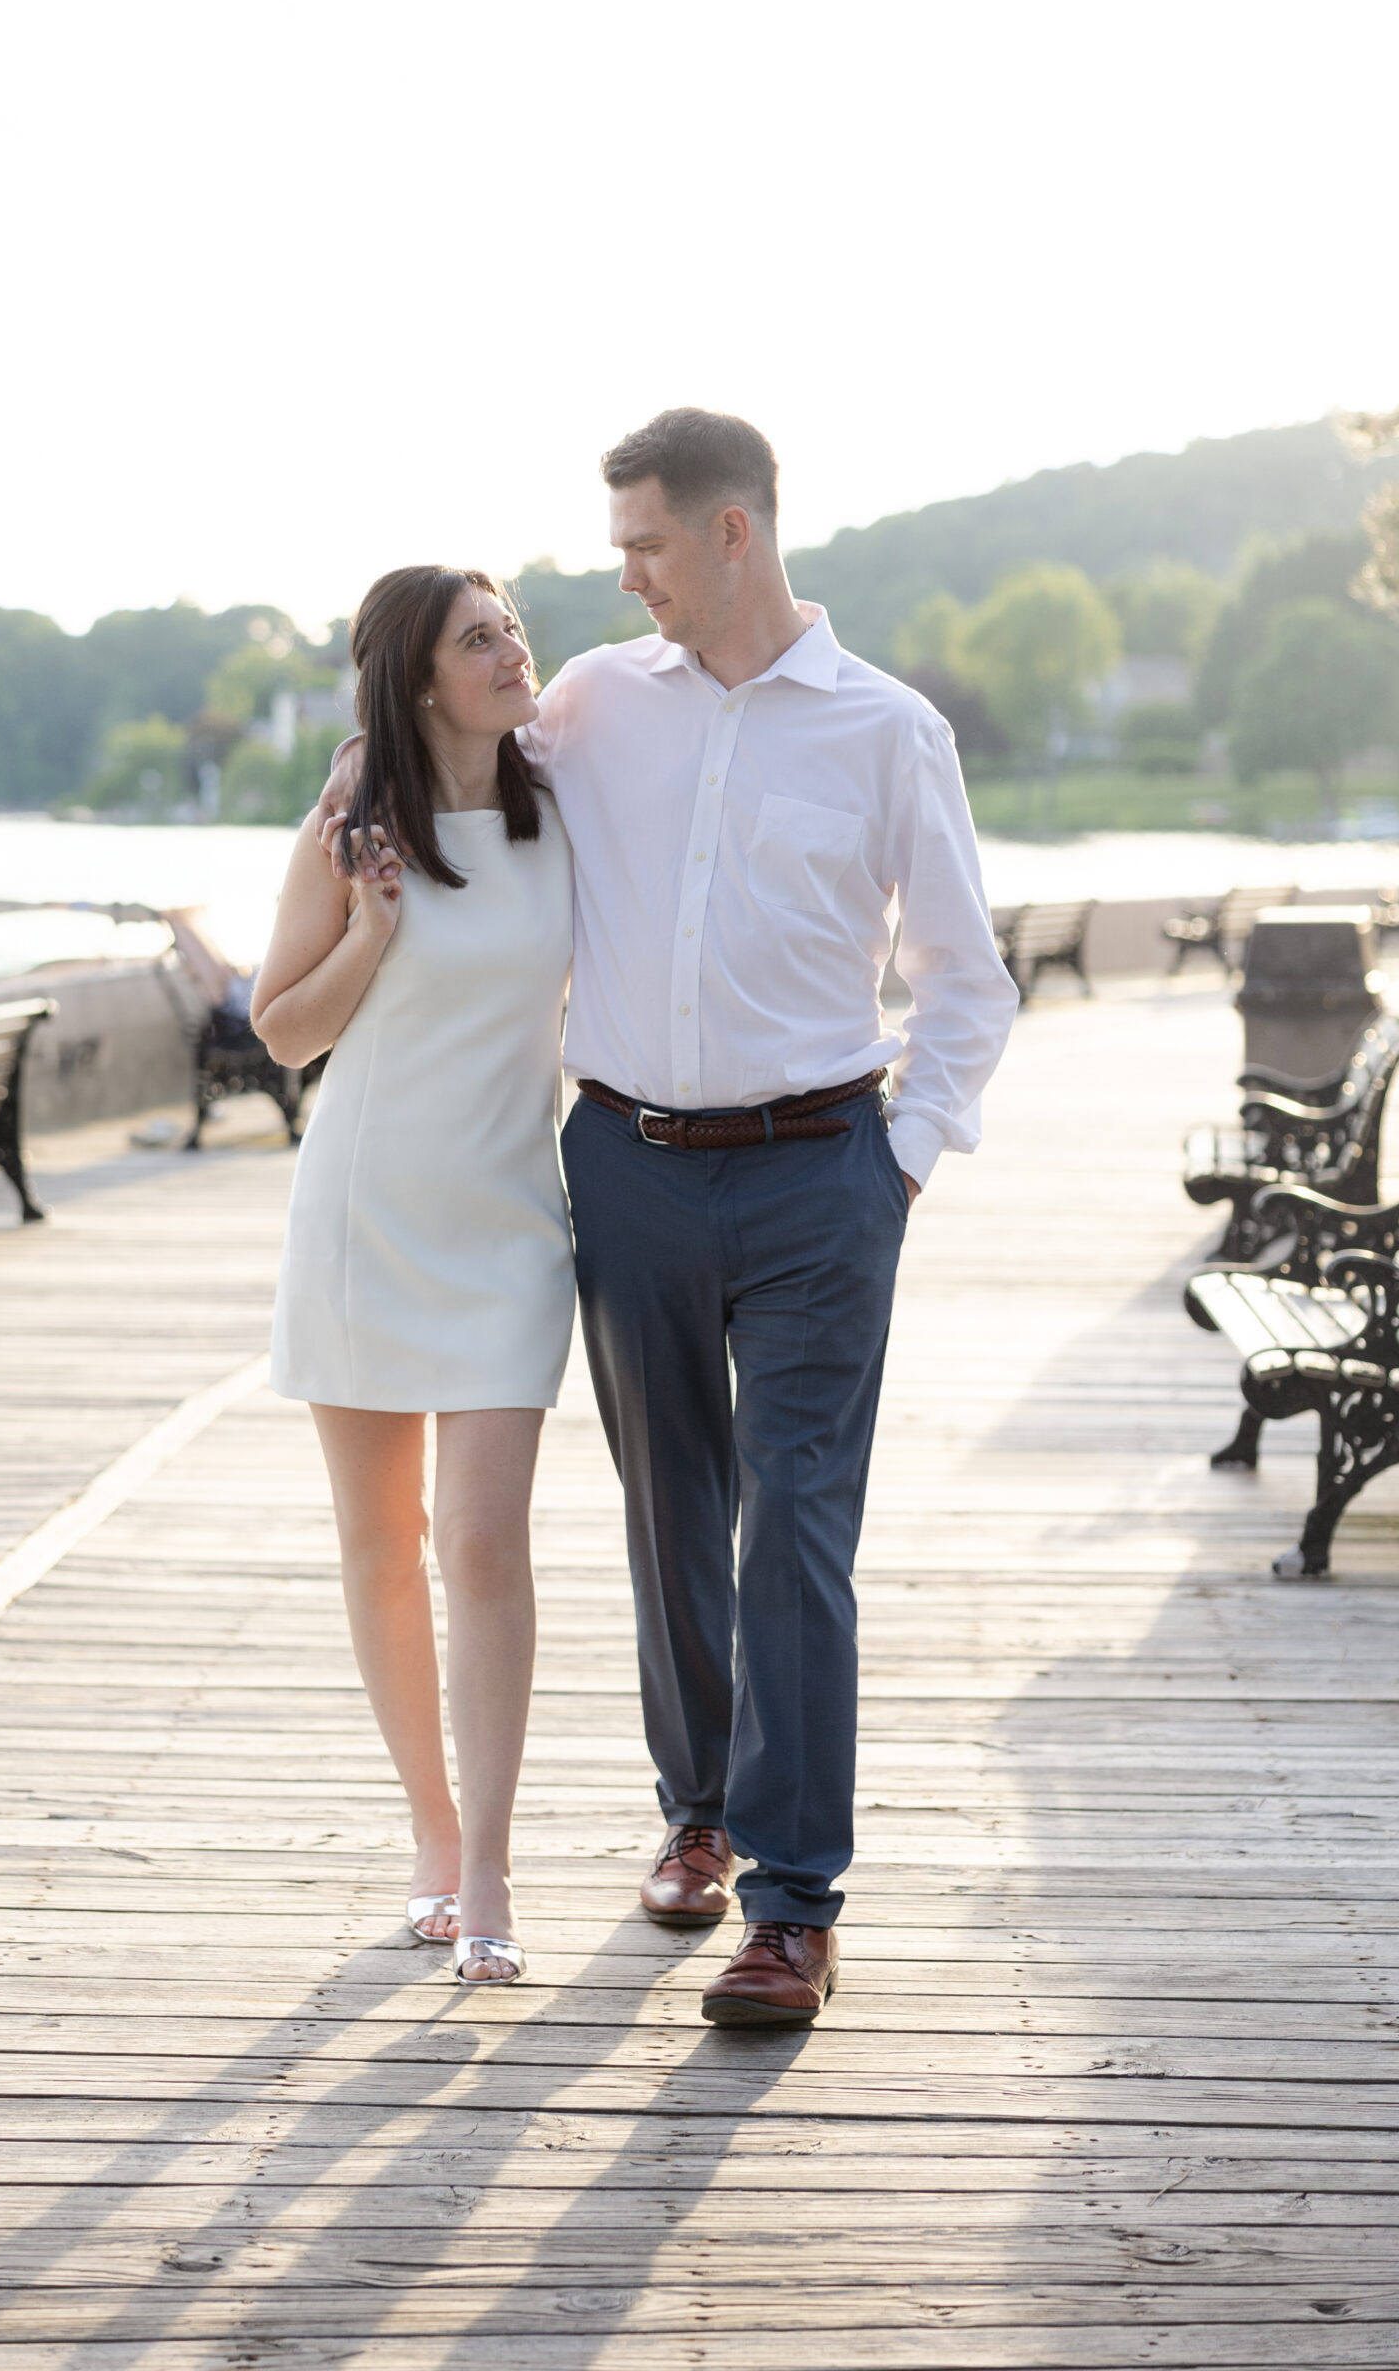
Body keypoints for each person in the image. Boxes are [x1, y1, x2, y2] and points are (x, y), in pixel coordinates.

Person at [325, 410, 1016, 2025]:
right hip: (624, 1164)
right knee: (669, 1509)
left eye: (641, 542)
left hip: (817, 1172)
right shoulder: (588, 701)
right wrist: (360, 779)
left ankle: (791, 1901)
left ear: (732, 534)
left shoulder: (888, 728)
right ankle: (696, 1812)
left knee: (796, 1519)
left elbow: (963, 980)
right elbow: (460, 782)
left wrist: (896, 1163)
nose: (618, 571)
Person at [253, 565, 573, 1986]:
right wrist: (373, 930)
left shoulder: (566, 804)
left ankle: (495, 1863)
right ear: (421, 678)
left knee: (484, 1543)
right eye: (479, 638)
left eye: (512, 628)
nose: (512, 650)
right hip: (363, 1220)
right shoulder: (350, 828)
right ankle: (434, 1842)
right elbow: (280, 1031)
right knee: (383, 1549)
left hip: (513, 1227)